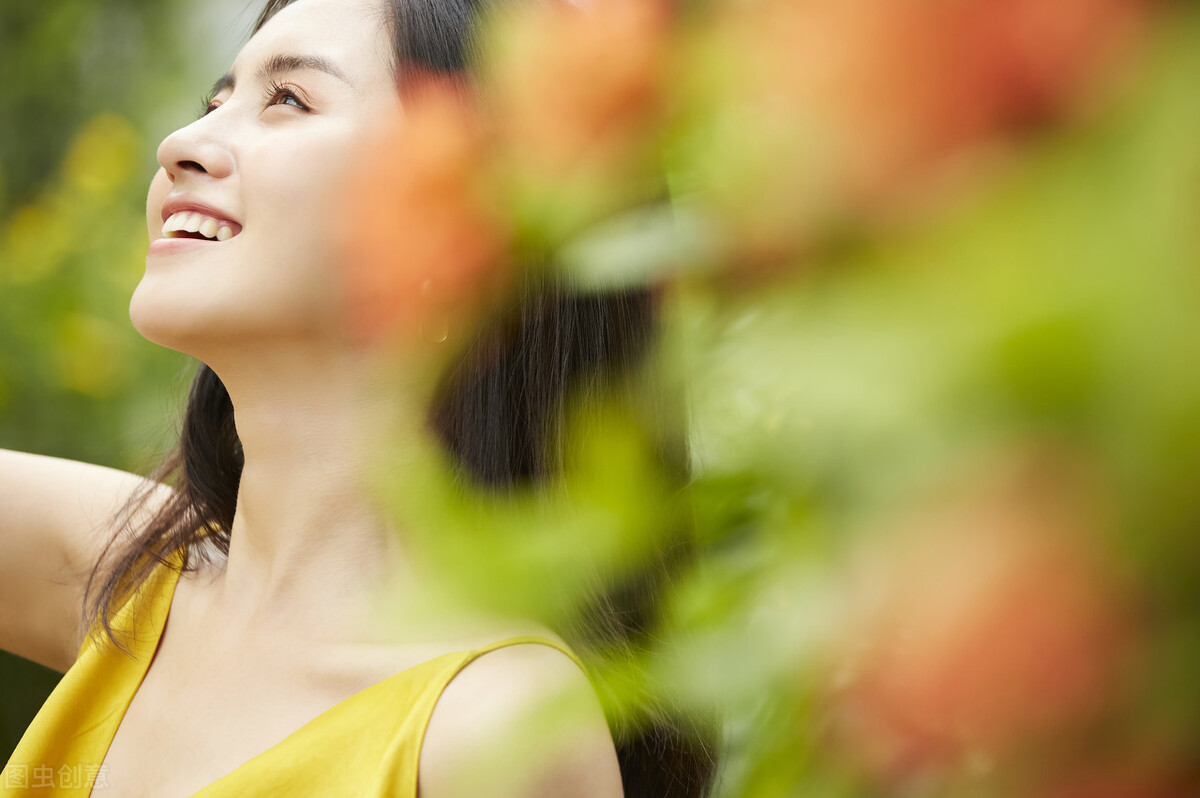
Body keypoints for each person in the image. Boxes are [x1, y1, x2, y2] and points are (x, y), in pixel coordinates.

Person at [0, 0, 717, 795]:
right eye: (216, 99)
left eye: (289, 100)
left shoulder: (489, 727)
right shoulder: (127, 577)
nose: (183, 143)